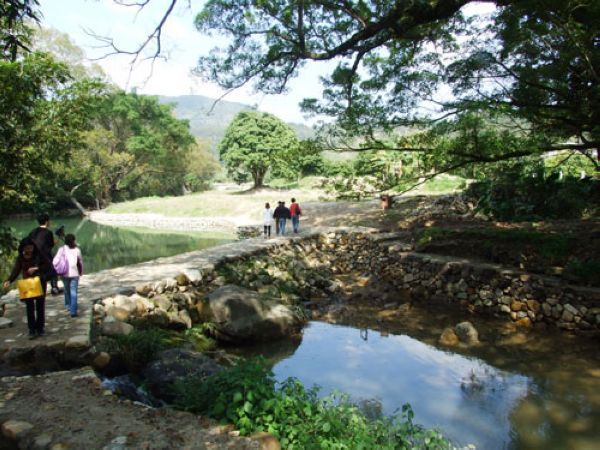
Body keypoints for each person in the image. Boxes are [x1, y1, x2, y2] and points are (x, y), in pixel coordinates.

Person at [3, 237, 46, 338]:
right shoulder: (20, 258)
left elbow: (47, 266)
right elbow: (16, 270)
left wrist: (36, 268)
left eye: (30, 248)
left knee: (40, 307)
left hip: (39, 283)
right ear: (23, 248)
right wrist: (9, 280)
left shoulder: (38, 255)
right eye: (27, 248)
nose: (29, 250)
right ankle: (32, 330)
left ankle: (40, 328)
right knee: (29, 308)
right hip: (27, 285)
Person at [28, 213, 58, 295]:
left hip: (34, 257)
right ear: (47, 221)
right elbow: (50, 245)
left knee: (38, 273)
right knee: (53, 271)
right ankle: (54, 287)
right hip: (45, 257)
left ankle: (37, 289)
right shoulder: (48, 232)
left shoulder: (32, 232)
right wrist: (54, 242)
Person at [55, 234, 83, 317]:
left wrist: (57, 269)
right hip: (74, 274)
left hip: (64, 273)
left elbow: (55, 261)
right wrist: (81, 272)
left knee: (67, 290)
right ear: (73, 241)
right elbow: (80, 263)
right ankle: (73, 311)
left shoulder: (61, 249)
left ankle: (68, 306)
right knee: (73, 292)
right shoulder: (77, 250)